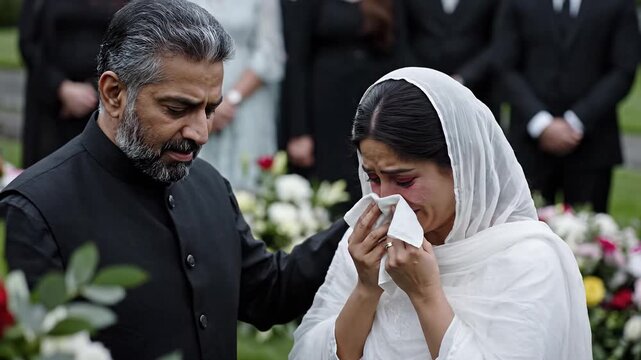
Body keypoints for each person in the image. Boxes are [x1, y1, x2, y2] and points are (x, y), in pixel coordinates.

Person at [0, 1, 348, 359]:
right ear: (114, 94)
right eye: (177, 109)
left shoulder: (210, 185)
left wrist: (358, 225)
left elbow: (267, 294)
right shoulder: (37, 210)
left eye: (210, 110)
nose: (200, 133)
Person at [289, 67, 592, 359]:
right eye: (374, 178)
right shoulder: (369, 243)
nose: (385, 199)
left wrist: (425, 294)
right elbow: (310, 352)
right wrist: (367, 288)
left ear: (459, 167)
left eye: (405, 180)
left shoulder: (528, 261)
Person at [494, 0, 641, 212]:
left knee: (589, 234)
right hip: (528, 143)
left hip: (592, 144)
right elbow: (504, 65)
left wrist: (576, 121)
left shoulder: (617, 4)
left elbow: (623, 69)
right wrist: (541, 123)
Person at [280, 0, 410, 206]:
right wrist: (299, 131)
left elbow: (400, 52)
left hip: (373, 104)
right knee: (329, 188)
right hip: (325, 109)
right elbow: (297, 63)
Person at [188, 0, 285, 190]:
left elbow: (270, 51)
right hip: (194, 94)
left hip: (247, 101)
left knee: (248, 175)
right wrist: (205, 104)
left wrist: (231, 100)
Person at [18, 0, 128, 167]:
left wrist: (96, 88)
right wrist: (61, 87)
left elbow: (129, 43)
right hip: (50, 108)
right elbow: (28, 43)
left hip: (106, 104)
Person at [404, 0, 502, 119]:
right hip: (418, 93)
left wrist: (463, 77)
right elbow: (401, 38)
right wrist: (419, 78)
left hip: (477, 94)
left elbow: (500, 42)